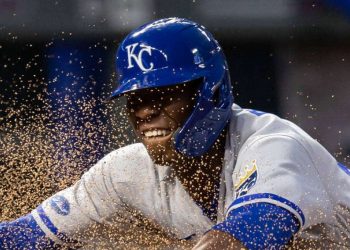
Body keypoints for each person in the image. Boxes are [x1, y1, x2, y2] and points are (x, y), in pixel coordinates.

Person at [1, 17, 350, 249]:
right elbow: (24, 236)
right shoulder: (126, 172)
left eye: (162, 93)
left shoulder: (273, 144)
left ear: (210, 90)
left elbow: (249, 233)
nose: (144, 111)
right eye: (134, 99)